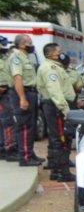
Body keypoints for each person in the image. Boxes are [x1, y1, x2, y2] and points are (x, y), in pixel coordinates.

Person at [37, 44, 78, 181]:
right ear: (50, 54)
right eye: (59, 52)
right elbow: (55, 91)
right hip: (56, 107)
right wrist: (64, 109)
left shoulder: (55, 67)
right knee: (62, 139)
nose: (62, 54)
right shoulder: (50, 69)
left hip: (56, 106)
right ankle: (62, 172)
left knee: (59, 139)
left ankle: (56, 171)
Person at [7, 34, 43, 166]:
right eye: (29, 43)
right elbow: (18, 78)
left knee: (31, 125)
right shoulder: (16, 57)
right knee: (25, 126)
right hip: (22, 93)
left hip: (30, 92)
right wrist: (22, 98)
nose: (31, 45)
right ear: (22, 45)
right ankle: (25, 157)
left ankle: (30, 153)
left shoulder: (24, 57)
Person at [0, 36, 16, 161]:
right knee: (7, 122)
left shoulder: (5, 58)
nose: (3, 47)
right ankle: (8, 148)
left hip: (7, 92)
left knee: (7, 122)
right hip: (2, 94)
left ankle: (7, 147)